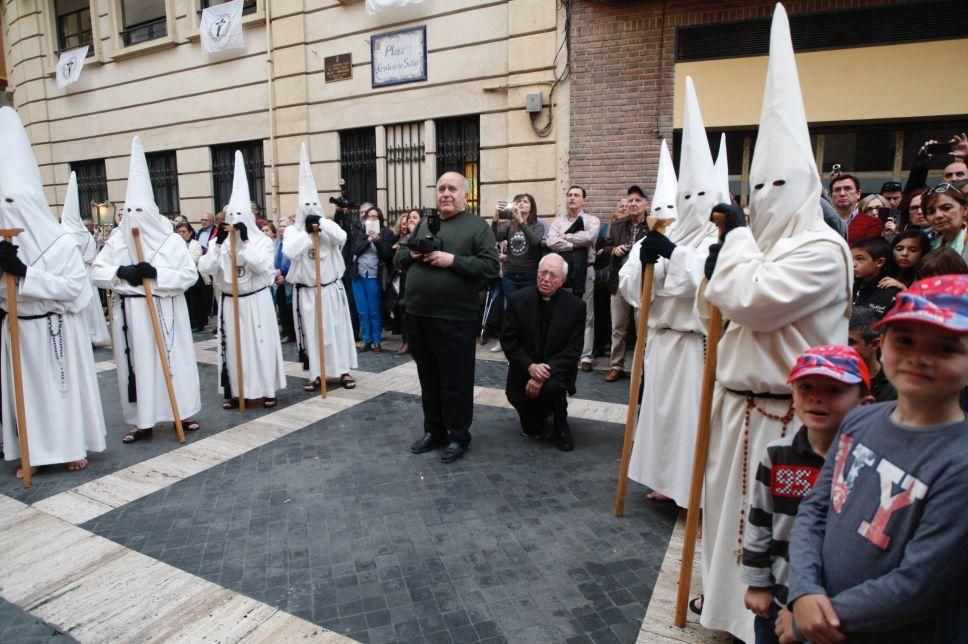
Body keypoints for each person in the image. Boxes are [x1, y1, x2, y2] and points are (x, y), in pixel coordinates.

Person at [697, 8, 853, 641]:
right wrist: (726, 257)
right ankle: (727, 612)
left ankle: (774, 622)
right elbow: (723, 295)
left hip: (790, 419)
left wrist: (731, 242)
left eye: (779, 183)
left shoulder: (819, 249)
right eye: (757, 184)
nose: (765, 195)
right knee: (727, 516)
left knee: (777, 528)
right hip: (737, 407)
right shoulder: (763, 244)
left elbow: (752, 299)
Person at [780, 275, 968, 644]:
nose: (918, 357)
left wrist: (810, 619)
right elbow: (815, 510)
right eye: (905, 340)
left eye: (945, 348)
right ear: (882, 346)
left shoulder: (958, 464)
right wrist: (802, 590)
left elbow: (919, 586)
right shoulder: (860, 421)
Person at [619, 89, 723, 507]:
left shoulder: (722, 238)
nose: (693, 204)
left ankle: (695, 498)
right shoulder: (662, 234)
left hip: (697, 346)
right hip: (660, 342)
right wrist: (649, 264)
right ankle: (667, 482)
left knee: (693, 423)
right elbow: (631, 286)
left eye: (701, 196)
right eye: (688, 196)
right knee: (662, 421)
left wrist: (670, 263)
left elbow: (705, 279)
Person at [0, 106, 106, 477]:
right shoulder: (3, 245)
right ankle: (32, 451)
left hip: (53, 330)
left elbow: (75, 288)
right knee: (27, 395)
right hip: (18, 330)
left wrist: (25, 276)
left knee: (58, 393)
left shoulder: (61, 244)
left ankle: (69, 447)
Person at [742, 345, 872, 644]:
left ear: (865, 403)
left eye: (834, 389)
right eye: (806, 387)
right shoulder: (778, 455)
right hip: (779, 596)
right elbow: (760, 521)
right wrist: (757, 583)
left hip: (837, 609)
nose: (816, 397)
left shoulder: (868, 463)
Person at [93, 137, 202, 444]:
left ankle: (181, 412)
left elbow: (187, 275)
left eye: (140, 209)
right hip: (131, 312)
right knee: (137, 367)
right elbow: (97, 271)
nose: (135, 216)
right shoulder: (118, 240)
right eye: (130, 210)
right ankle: (143, 421)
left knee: (171, 362)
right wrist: (120, 272)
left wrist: (156, 274)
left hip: (165, 310)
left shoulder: (171, 242)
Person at [394, 172, 499, 463]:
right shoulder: (425, 224)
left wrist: (451, 260)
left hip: (454, 318)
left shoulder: (477, 227)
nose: (446, 193)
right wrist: (413, 254)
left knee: (456, 380)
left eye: (452, 188)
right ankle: (434, 431)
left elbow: (490, 268)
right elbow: (397, 259)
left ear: (465, 194)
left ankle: (458, 435)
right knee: (428, 378)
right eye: (441, 188)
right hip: (418, 315)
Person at [197, 151, 286, 409]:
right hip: (230, 302)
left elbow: (262, 267)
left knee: (259, 346)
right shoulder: (219, 242)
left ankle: (266, 389)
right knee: (234, 348)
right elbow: (206, 268)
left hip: (255, 301)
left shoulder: (261, 241)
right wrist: (218, 246)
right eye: (230, 217)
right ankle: (236, 391)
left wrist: (245, 243)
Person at [284, 143, 358, 391]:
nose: (309, 211)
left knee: (336, 330)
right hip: (307, 291)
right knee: (313, 333)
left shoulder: (328, 226)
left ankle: (343, 371)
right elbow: (290, 253)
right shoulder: (292, 232)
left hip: (329, 289)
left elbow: (342, 238)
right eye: (305, 208)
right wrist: (307, 233)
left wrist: (321, 225)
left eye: (313, 208)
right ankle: (316, 373)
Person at [501, 253, 584, 451]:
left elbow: (573, 350)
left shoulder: (576, 306)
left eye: (553, 275)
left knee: (553, 389)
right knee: (532, 428)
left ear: (563, 280)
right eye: (543, 272)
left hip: (556, 372)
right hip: (523, 370)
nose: (546, 279)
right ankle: (541, 412)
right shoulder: (517, 300)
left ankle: (561, 424)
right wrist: (530, 367)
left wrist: (542, 374)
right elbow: (509, 342)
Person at [547, 186, 601, 372]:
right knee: (560, 313)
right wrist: (574, 245)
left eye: (576, 195)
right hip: (561, 273)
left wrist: (565, 236)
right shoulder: (557, 221)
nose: (572, 198)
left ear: (584, 201)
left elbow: (590, 237)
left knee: (586, 315)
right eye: (569, 195)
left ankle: (585, 356)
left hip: (585, 272)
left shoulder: (592, 220)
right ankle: (562, 351)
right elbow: (551, 242)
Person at [600, 185, 650, 382]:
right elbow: (604, 246)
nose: (633, 204)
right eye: (630, 200)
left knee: (642, 329)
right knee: (618, 327)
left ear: (646, 204)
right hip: (619, 281)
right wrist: (614, 249)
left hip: (642, 283)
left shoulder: (653, 226)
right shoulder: (618, 224)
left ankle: (643, 368)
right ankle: (616, 366)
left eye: (638, 200)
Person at [60, 171, 111, 347]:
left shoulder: (65, 234)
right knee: (89, 305)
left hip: (75, 273)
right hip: (85, 273)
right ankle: (92, 334)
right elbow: (92, 254)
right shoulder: (83, 234)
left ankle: (85, 335)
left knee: (83, 305)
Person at [350, 205, 395, 353]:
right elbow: (356, 249)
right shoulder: (360, 231)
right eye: (370, 216)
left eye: (375, 217)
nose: (372, 219)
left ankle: (376, 341)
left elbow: (388, 255)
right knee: (362, 310)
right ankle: (366, 339)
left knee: (375, 310)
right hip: (359, 275)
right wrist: (369, 239)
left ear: (380, 219)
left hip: (375, 275)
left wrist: (377, 241)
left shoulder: (387, 233)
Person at [494, 194, 544, 300]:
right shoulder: (509, 225)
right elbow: (495, 237)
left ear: (532, 207)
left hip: (529, 275)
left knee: (527, 309)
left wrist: (521, 221)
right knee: (511, 308)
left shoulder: (537, 225)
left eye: (525, 201)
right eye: (519, 201)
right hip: (510, 275)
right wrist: (495, 217)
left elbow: (534, 241)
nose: (521, 203)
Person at [847, 306, 895, 403]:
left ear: (874, 344)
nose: (843, 346)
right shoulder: (830, 375)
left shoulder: (894, 390)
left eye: (850, 342)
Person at [391, 209, 421, 355]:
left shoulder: (426, 236)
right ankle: (406, 342)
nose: (410, 219)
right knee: (405, 310)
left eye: (415, 217)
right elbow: (397, 262)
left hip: (421, 281)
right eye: (409, 217)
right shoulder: (404, 240)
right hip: (406, 279)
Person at [851, 235, 899, 318]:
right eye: (851, 259)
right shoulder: (850, 283)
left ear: (879, 262)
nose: (853, 264)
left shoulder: (891, 291)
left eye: (860, 259)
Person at [174, 222, 209, 332]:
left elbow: (194, 259)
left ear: (190, 233)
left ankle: (198, 324)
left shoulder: (195, 244)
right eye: (179, 232)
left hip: (194, 276)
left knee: (196, 301)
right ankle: (188, 322)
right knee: (187, 301)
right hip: (180, 275)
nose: (181, 234)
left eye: (183, 232)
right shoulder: (174, 245)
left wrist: (180, 263)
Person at [923, 183, 967, 264]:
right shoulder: (933, 246)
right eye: (931, 212)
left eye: (946, 208)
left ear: (965, 210)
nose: (938, 215)